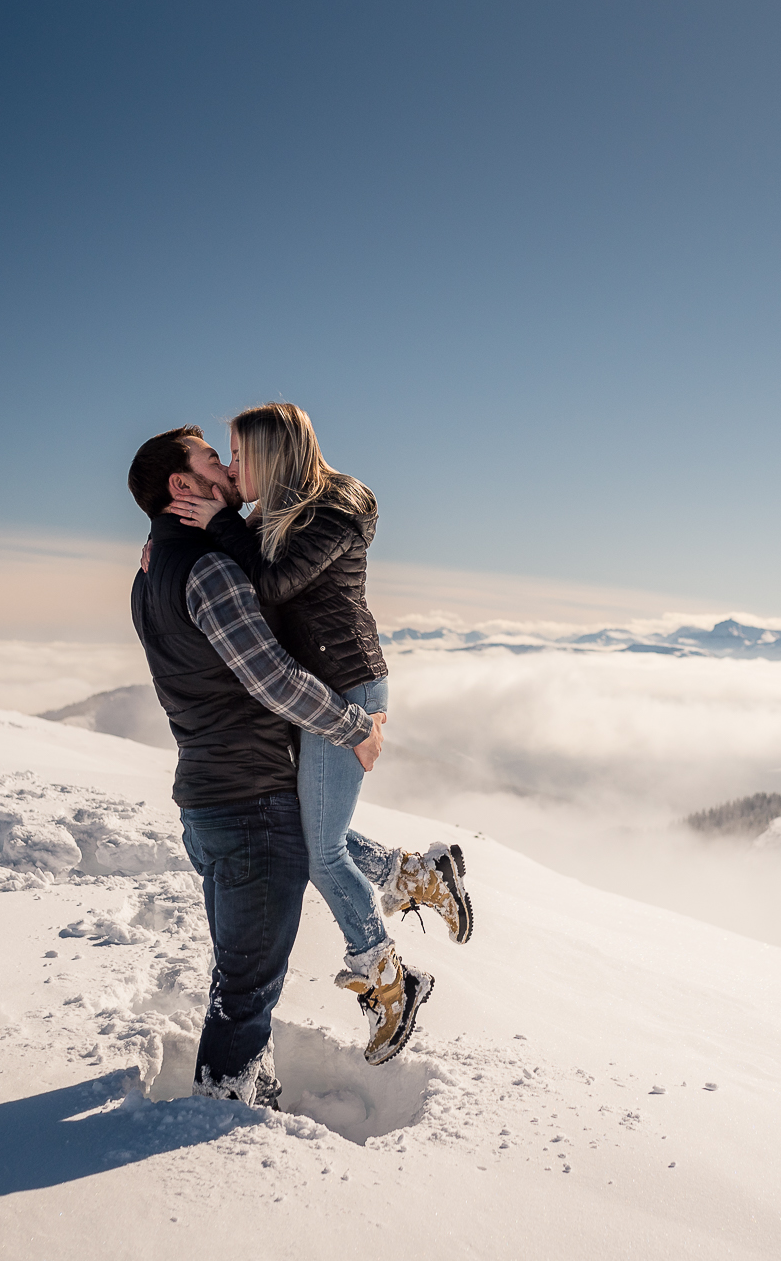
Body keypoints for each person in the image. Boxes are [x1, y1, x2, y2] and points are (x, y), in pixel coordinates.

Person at [166, 403, 473, 1068]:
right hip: (323, 695)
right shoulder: (270, 517)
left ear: (273, 457)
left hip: (347, 691)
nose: (233, 467)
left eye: (240, 455)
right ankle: (417, 875)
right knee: (310, 832)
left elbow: (270, 582)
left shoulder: (331, 513)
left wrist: (217, 525)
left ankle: (389, 978)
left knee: (322, 849)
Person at [128, 424, 400, 1103]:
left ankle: (255, 1088)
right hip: (250, 807)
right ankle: (221, 1117)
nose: (225, 465)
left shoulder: (150, 571)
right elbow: (271, 676)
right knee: (247, 989)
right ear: (181, 485)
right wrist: (351, 724)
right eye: (210, 457)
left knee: (239, 976)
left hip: (206, 801)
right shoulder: (209, 569)